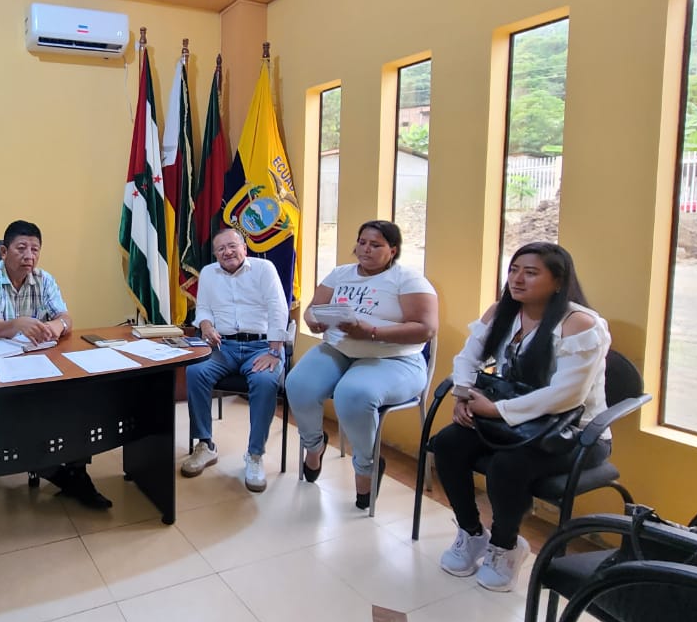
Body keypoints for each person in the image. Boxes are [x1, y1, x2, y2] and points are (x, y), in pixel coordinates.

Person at [434, 241, 611, 592]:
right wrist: (462, 394)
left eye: (530, 273)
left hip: (573, 434)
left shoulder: (580, 324)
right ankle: (472, 533)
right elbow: (467, 358)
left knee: (507, 465)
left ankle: (506, 546)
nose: (517, 279)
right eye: (514, 270)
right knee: (448, 443)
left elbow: (568, 396)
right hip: (513, 422)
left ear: (558, 282)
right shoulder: (502, 311)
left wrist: (496, 409)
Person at [286, 220, 437, 508]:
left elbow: (426, 329)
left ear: (392, 250)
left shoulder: (408, 279)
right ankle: (314, 445)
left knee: (353, 393)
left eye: (376, 245)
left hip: (395, 359)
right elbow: (312, 310)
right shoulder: (340, 273)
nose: (365, 249)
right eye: (362, 242)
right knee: (298, 384)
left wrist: (371, 332)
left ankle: (366, 467)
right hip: (339, 349)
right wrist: (314, 321)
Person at [0, 219, 112, 510]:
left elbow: (66, 317)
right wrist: (18, 324)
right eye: (21, 248)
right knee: (26, 416)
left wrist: (59, 325)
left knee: (75, 397)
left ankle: (76, 470)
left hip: (37, 361)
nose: (29, 256)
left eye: (35, 250)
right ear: (3, 251)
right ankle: (63, 476)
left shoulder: (44, 279)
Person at [180, 226, 290, 493]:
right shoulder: (209, 273)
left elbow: (278, 307)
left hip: (262, 346)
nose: (227, 252)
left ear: (244, 248)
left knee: (265, 381)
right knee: (195, 372)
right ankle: (205, 444)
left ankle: (254, 455)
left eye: (232, 246)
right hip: (224, 346)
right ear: (215, 254)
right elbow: (203, 308)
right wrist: (206, 326)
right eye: (221, 249)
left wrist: (274, 351)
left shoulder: (264, 269)